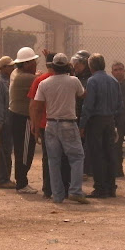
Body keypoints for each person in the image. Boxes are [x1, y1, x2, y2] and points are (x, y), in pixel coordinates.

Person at [32, 53, 89, 204]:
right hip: (68, 123)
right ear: (67, 66)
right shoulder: (73, 81)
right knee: (76, 157)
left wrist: (36, 128)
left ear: (53, 66)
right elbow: (83, 94)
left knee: (53, 160)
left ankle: (57, 195)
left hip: (51, 124)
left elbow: (37, 107)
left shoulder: (44, 83)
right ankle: (75, 191)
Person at [79, 53, 124, 198]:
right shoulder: (113, 81)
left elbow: (88, 105)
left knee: (96, 155)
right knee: (109, 154)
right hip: (110, 120)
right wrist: (115, 121)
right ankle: (111, 187)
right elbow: (120, 104)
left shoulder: (92, 81)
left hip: (96, 121)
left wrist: (82, 124)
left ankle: (100, 188)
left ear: (91, 66)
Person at [29, 53, 71, 197]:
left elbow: (34, 106)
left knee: (48, 157)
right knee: (64, 157)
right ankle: (65, 188)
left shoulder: (40, 80)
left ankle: (48, 189)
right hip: (65, 122)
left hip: (45, 124)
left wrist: (34, 126)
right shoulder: (69, 80)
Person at [9, 47, 39, 194]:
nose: (36, 65)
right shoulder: (26, 78)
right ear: (26, 64)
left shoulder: (16, 73)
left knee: (21, 150)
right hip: (23, 118)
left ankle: (21, 181)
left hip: (16, 116)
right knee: (26, 152)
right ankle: (22, 183)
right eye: (33, 62)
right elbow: (43, 80)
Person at [0, 56, 15, 189]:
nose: (12, 68)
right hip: (4, 121)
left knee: (7, 150)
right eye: (10, 66)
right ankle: (2, 179)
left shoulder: (7, 81)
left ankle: (6, 177)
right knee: (4, 151)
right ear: (3, 68)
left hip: (9, 120)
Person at [71, 50, 93, 177]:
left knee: (86, 144)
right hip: (77, 116)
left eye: (79, 64)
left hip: (86, 117)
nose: (76, 66)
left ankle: (86, 170)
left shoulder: (89, 81)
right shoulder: (75, 79)